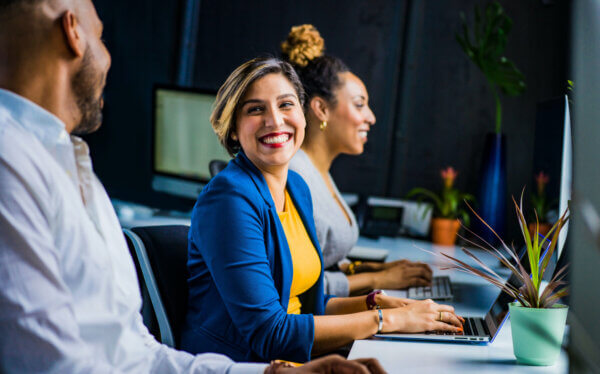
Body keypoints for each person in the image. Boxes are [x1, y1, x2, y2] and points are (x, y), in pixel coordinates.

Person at [0, 1, 385, 373]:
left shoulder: (72, 164)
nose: (109, 57)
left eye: (286, 105)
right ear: (72, 32)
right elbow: (51, 364)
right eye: (102, 38)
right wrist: (380, 320)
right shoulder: (12, 162)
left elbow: (138, 351)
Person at [181, 56, 464, 364]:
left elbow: (308, 306)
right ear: (233, 129)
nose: (275, 120)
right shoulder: (229, 199)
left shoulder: (297, 188)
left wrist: (380, 304)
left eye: (286, 105)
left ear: (303, 115)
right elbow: (269, 333)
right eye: (255, 109)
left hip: (296, 360)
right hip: (244, 365)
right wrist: (387, 320)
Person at [282, 24, 433, 297]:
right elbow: (298, 288)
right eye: (360, 104)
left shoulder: (318, 171)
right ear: (321, 109)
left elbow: (323, 262)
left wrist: (371, 269)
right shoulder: (295, 176)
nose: (371, 117)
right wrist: (378, 280)